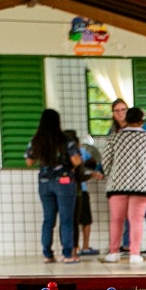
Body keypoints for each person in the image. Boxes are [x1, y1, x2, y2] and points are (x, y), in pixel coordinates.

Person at [102, 107, 146, 265]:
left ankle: (114, 252)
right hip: (142, 186)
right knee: (136, 220)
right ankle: (134, 254)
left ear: (127, 119)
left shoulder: (115, 138)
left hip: (117, 185)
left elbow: (106, 162)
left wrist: (112, 176)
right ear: (142, 121)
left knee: (116, 220)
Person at [25, 109, 83, 263]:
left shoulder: (36, 140)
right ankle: (68, 254)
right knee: (66, 219)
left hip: (44, 183)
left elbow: (29, 161)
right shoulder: (66, 140)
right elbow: (76, 161)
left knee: (48, 219)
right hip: (64, 182)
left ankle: (47, 254)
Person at [65, 131, 103, 256]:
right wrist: (91, 173)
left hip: (64, 192)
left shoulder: (60, 155)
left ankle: (70, 248)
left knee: (68, 220)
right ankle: (83, 247)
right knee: (85, 220)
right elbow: (93, 163)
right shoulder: (80, 153)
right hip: (80, 191)